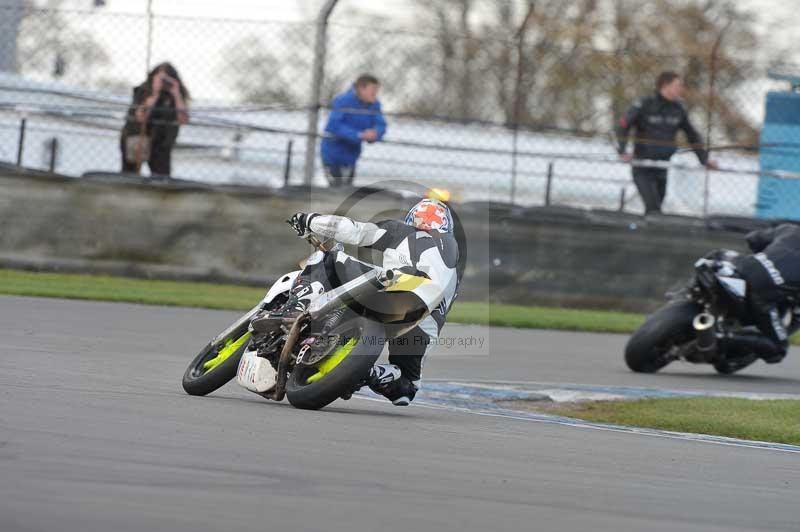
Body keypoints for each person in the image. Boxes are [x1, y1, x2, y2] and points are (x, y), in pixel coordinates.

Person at [252, 198, 460, 406]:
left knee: (328, 259)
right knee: (407, 388)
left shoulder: (403, 231)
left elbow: (353, 230)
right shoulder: (453, 269)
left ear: (412, 219)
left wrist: (309, 220)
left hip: (395, 286)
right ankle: (366, 373)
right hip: (422, 320)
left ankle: (294, 307)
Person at [616, 71, 717, 214]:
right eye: (678, 86)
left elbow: (692, 135)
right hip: (643, 166)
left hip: (663, 166)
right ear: (665, 86)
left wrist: (704, 159)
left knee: (657, 207)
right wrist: (622, 151)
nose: (681, 89)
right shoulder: (645, 104)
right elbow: (623, 126)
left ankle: (648, 232)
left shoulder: (678, 108)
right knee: (653, 208)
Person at [731, 224, 800, 364]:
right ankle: (725, 338)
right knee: (778, 349)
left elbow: (752, 238)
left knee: (716, 258)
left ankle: (678, 296)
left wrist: (762, 255)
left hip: (742, 265)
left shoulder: (789, 229)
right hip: (763, 293)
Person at [120, 62, 189, 177]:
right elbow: (141, 116)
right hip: (138, 138)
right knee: (130, 176)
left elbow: (183, 120)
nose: (164, 83)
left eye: (167, 79)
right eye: (161, 79)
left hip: (162, 142)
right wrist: (155, 93)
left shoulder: (175, 96)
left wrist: (176, 94)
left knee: (162, 178)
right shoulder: (143, 90)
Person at [320, 74, 387, 186]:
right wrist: (359, 135)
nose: (375, 93)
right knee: (335, 188)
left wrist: (375, 133)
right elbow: (333, 126)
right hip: (332, 155)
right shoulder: (343, 101)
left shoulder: (374, 105)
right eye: (373, 89)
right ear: (361, 88)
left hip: (351, 156)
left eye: (376, 90)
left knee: (347, 189)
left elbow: (381, 124)